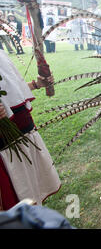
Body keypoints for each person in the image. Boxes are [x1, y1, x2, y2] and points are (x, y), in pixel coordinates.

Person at [0, 50, 61, 211]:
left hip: (24, 133)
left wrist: (36, 85)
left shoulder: (1, 53)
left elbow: (12, 89)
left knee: (32, 187)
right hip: (4, 146)